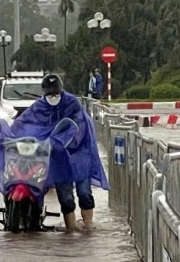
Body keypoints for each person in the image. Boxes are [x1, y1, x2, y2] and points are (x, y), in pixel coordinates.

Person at [10, 73, 109, 231]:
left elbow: (80, 126)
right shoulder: (40, 106)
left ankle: (88, 228)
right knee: (65, 197)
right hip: (58, 157)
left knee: (84, 193)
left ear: (61, 91)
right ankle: (71, 230)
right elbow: (24, 122)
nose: (53, 97)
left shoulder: (72, 103)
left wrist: (65, 141)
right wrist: (10, 135)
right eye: (49, 94)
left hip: (80, 153)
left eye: (56, 93)